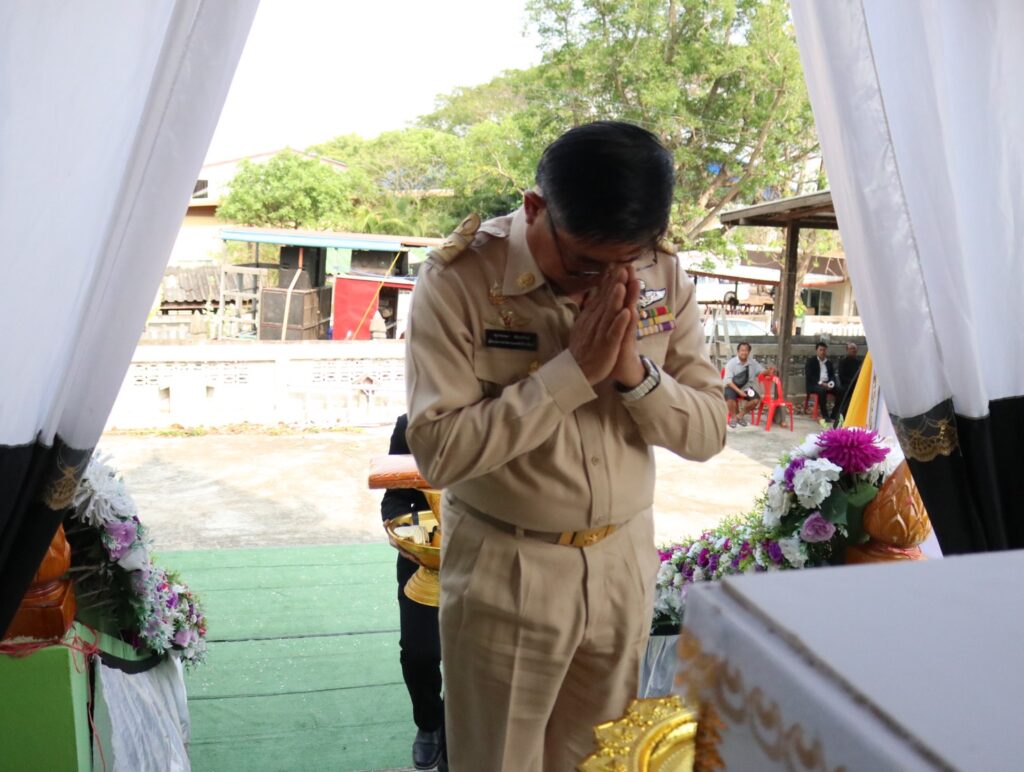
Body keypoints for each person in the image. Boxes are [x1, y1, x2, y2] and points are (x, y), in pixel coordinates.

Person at [405, 121, 726, 771]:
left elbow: (708, 431)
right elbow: (439, 451)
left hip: (622, 561)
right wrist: (571, 373)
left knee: (599, 759)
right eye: (583, 264)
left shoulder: (662, 274)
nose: (602, 285)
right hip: (507, 565)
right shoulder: (459, 280)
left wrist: (633, 373)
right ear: (535, 208)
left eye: (626, 263)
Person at [380, 414, 445, 771]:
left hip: (488, 557)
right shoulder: (410, 425)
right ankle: (429, 723)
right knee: (420, 653)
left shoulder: (503, 418)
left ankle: (464, 727)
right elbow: (395, 494)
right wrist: (399, 531)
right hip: (423, 556)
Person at [723, 341, 765, 428]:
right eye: (742, 350)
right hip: (732, 386)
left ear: (749, 352)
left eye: (746, 350)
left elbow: (762, 371)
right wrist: (739, 392)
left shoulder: (752, 363)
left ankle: (739, 416)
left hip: (746, 388)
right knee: (729, 397)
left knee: (755, 400)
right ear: (738, 351)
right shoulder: (731, 363)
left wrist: (769, 371)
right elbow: (728, 381)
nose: (744, 352)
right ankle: (733, 418)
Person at [805, 341, 839, 420]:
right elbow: (810, 376)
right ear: (816, 351)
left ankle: (834, 414)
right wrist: (821, 383)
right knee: (822, 390)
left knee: (840, 391)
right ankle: (825, 415)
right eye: (820, 350)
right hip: (814, 385)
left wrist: (831, 383)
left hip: (827, 384)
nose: (822, 352)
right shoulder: (811, 361)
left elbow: (832, 375)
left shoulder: (828, 362)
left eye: (824, 350)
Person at [836, 342, 863, 409]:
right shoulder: (843, 362)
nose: (853, 350)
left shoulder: (859, 362)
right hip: (847, 384)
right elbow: (842, 376)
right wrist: (852, 382)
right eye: (851, 348)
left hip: (858, 383)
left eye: (854, 348)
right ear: (847, 350)